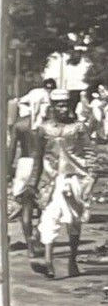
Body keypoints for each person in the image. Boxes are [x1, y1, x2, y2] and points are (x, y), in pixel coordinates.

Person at [31, 89, 97, 279]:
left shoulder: (78, 128)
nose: (62, 108)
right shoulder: (44, 129)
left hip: (74, 179)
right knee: (50, 218)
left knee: (73, 221)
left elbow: (89, 153)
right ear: (52, 107)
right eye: (58, 105)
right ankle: (48, 261)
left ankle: (72, 259)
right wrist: (32, 183)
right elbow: (38, 157)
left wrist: (90, 176)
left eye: (65, 104)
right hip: (51, 181)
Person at [6, 98, 43, 252]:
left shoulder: (19, 125)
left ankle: (29, 243)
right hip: (43, 164)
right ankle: (38, 234)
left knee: (25, 207)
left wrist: (8, 171)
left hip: (24, 164)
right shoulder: (46, 124)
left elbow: (12, 150)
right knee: (45, 206)